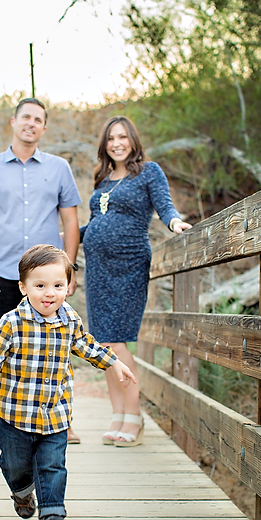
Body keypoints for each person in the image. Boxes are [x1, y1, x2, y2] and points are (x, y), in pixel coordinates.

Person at [0, 245, 137, 520]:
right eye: (40, 286)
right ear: (23, 287)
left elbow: (85, 345)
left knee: (53, 464)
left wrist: (113, 362)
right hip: (16, 414)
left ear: (68, 287)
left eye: (58, 285)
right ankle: (22, 491)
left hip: (55, 413)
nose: (49, 293)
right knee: (16, 465)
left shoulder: (69, 320)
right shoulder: (12, 322)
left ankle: (52, 513)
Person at [0, 97, 85, 445]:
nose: (31, 123)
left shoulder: (58, 169)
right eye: (25, 117)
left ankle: (61, 421)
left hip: (45, 281)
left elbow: (71, 220)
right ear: (13, 121)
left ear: (44, 127)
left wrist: (67, 272)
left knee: (55, 347)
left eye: (38, 119)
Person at [80, 116, 192, 447]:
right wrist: (68, 237)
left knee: (117, 342)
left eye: (123, 137)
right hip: (97, 268)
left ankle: (134, 415)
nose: (117, 143)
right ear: (105, 144)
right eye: (111, 138)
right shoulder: (102, 180)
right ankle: (117, 415)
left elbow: (164, 206)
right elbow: (95, 223)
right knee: (103, 344)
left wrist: (174, 223)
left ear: (133, 141)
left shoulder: (148, 172)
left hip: (128, 264)